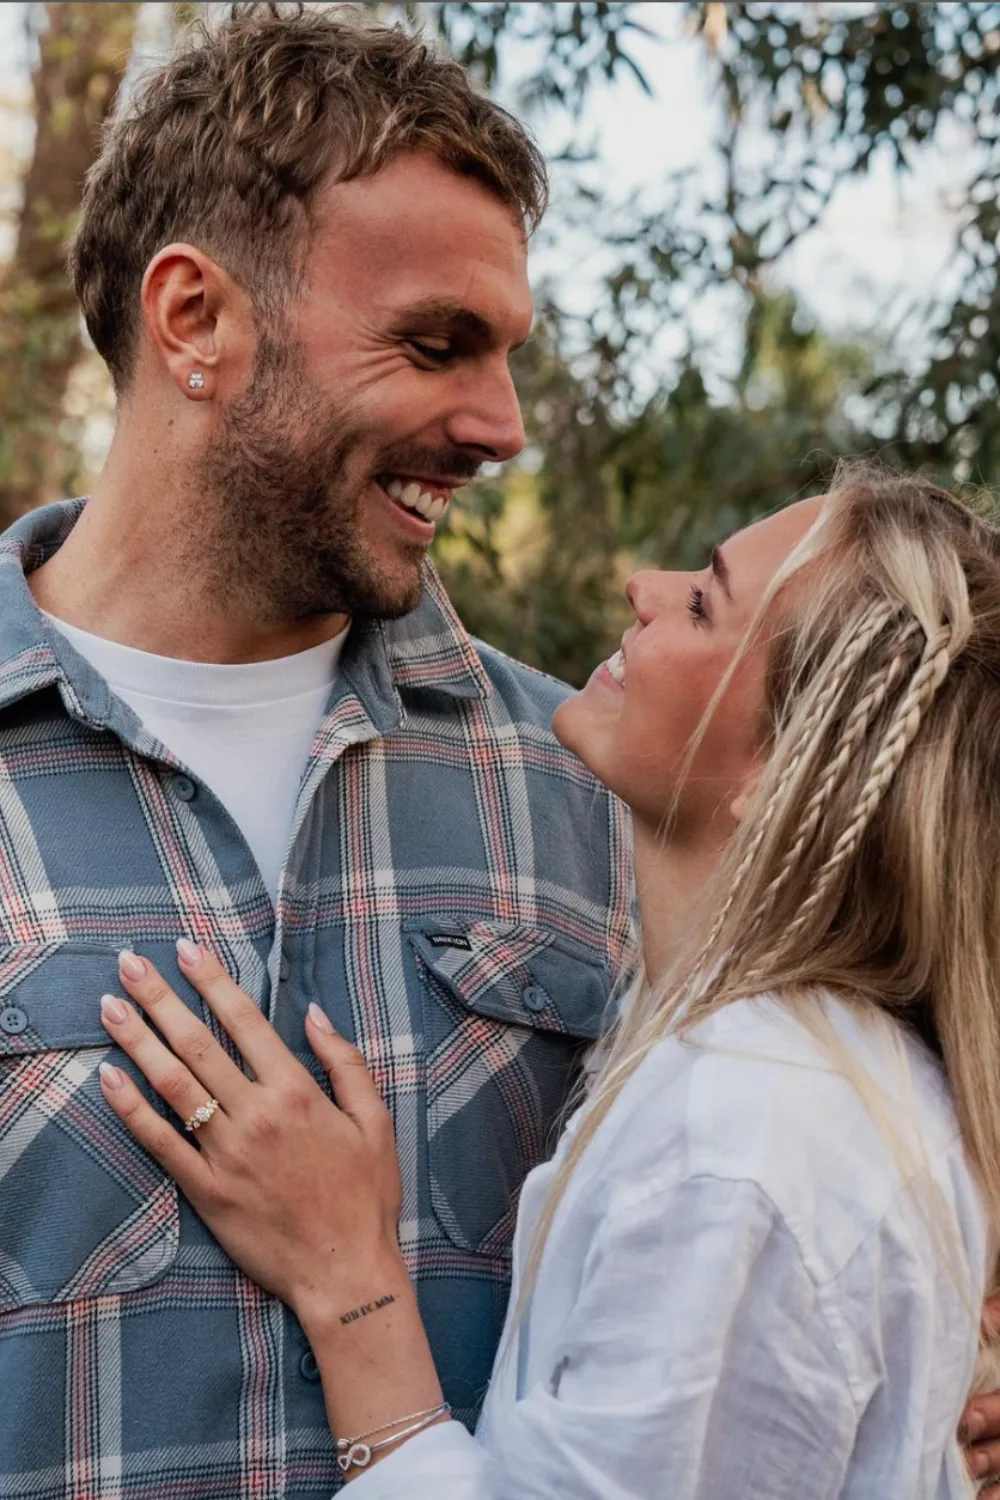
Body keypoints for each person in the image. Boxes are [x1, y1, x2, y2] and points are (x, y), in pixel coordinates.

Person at [0, 9, 634, 1499]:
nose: (501, 425)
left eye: (507, 355)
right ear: (196, 321)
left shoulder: (594, 797)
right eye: (435, 345)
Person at [100, 468, 1000, 1497]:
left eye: (702, 602)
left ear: (782, 771)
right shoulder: (769, 1066)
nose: (642, 586)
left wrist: (349, 1286)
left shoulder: (742, 1134)